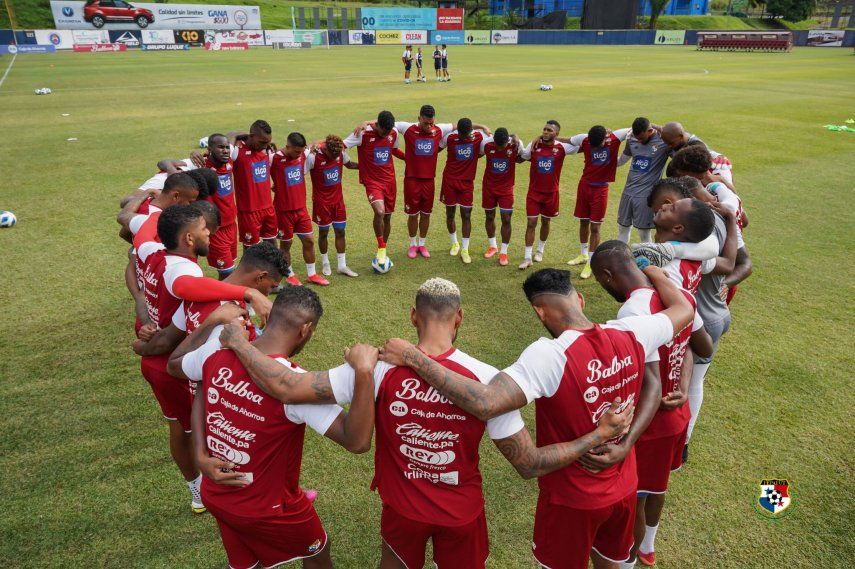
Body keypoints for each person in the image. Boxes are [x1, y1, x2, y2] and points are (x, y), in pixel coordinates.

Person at [219, 278, 634, 569]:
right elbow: (528, 463)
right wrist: (597, 436)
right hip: (463, 513)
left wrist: (237, 342)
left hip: (403, 510)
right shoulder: (490, 380)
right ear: (460, 319)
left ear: (413, 316)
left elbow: (288, 385)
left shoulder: (376, 367)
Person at [377, 267, 695, 569]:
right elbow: (684, 309)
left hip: (573, 500)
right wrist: (654, 275)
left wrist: (412, 357)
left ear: (539, 312)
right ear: (579, 300)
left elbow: (487, 403)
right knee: (611, 561)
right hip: (624, 486)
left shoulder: (549, 356)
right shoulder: (634, 331)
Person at [167, 286, 378, 569]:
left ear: (269, 318)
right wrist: (364, 372)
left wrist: (210, 322)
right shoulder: (297, 386)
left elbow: (175, 366)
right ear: (305, 330)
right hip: (268, 509)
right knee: (318, 552)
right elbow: (357, 441)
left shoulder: (215, 353)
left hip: (217, 495)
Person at [132, 200, 272, 515]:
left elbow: (134, 227)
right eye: (204, 229)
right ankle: (201, 490)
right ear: (189, 239)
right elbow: (184, 286)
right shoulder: (184, 270)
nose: (210, 232)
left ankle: (199, 487)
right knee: (196, 430)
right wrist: (248, 294)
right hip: (173, 363)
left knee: (183, 427)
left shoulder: (152, 251)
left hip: (159, 353)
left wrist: (141, 331)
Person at [590, 240, 713, 569]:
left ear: (607, 276)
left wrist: (624, 439)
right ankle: (648, 546)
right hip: (678, 418)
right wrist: (685, 386)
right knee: (656, 488)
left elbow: (650, 385)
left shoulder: (632, 311)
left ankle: (632, 556)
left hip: (651, 426)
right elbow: (699, 345)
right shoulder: (678, 295)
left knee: (634, 500)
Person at [391, 106, 487, 258]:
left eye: (431, 123)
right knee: (413, 214)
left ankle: (422, 244)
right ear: (419, 119)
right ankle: (412, 244)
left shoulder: (439, 129)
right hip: (412, 179)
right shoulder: (407, 128)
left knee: (426, 214)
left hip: (429, 180)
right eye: (425, 123)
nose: (429, 126)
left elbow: (459, 125)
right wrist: (366, 122)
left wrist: (482, 126)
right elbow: (387, 122)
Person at [558, 125, 631, 279]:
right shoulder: (584, 138)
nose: (598, 147)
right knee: (583, 222)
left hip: (601, 190)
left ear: (606, 137)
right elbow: (567, 140)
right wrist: (549, 138)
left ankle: (591, 263)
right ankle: (584, 254)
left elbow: (635, 129)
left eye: (601, 144)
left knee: (595, 227)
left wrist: (656, 129)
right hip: (584, 186)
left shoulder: (616, 136)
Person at [344, 111, 403, 269]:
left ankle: (382, 250)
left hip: (390, 181)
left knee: (387, 218)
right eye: (384, 131)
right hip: (372, 182)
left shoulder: (393, 132)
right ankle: (382, 247)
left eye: (389, 132)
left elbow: (394, 150)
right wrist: (351, 164)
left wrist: (408, 158)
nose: (386, 135)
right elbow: (341, 147)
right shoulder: (362, 133)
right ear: (378, 126)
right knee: (379, 212)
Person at [518, 120, 579, 270]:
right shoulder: (535, 145)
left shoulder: (562, 148)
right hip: (534, 192)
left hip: (551, 194)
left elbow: (582, 145)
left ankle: (540, 250)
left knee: (546, 222)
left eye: (549, 130)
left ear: (556, 134)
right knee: (531, 223)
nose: (545, 132)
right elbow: (522, 156)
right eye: (544, 129)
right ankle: (527, 257)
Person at [271, 132, 326, 286]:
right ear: (287, 147)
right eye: (296, 152)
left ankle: (312, 274)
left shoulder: (302, 154)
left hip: (301, 210)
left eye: (301, 152)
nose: (299, 155)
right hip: (283, 211)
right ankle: (290, 275)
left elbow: (324, 141)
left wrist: (316, 143)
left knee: (309, 241)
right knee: (286, 245)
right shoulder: (274, 158)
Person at [306, 134, 359, 279]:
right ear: (326, 149)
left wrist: (366, 167)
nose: (335, 157)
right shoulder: (313, 157)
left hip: (338, 201)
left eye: (337, 154)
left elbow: (350, 165)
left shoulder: (339, 153)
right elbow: (300, 172)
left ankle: (342, 265)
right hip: (321, 203)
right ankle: (325, 262)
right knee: (323, 233)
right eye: (332, 154)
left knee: (340, 231)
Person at [439, 117, 489, 264]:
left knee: (466, 214)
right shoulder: (450, 137)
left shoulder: (479, 137)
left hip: (467, 183)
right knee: (450, 213)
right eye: (460, 134)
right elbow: (437, 148)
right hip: (449, 180)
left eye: (465, 135)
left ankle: (465, 249)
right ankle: (455, 243)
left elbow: (486, 148)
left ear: (470, 131)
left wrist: (483, 126)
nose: (462, 137)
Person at [616, 117, 668, 245]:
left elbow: (682, 147)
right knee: (622, 228)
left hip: (646, 195)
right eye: (637, 138)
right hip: (627, 192)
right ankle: (621, 259)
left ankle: (648, 262)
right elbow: (621, 160)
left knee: (643, 232)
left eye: (642, 138)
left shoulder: (664, 141)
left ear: (650, 131)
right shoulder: (632, 139)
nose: (639, 141)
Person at [230, 120, 278, 249]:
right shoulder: (236, 152)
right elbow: (231, 134)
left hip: (268, 208)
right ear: (251, 136)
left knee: (272, 245)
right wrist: (242, 135)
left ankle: (275, 270)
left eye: (267, 142)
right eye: (262, 142)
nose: (265, 145)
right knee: (251, 250)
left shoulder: (266, 150)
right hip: (248, 212)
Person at [479, 127, 521, 266]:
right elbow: (479, 151)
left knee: (506, 219)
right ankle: (493, 246)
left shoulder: (515, 146)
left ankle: (503, 252)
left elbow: (525, 156)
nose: (499, 147)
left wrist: (516, 136)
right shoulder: (487, 145)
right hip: (489, 188)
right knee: (489, 216)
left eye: (501, 145)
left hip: (506, 190)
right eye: (497, 145)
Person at [660, 122, 733, 185]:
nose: (669, 146)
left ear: (681, 136)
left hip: (716, 165)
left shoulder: (697, 148)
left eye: (671, 143)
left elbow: (710, 177)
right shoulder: (676, 138)